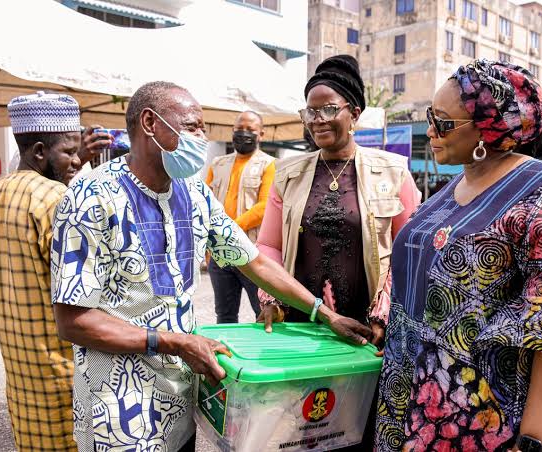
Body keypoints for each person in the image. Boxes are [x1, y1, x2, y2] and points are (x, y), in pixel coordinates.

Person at [50, 81, 371, 452]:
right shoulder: (90, 197)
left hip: (179, 404)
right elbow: (72, 319)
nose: (201, 137)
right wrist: (174, 342)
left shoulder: (194, 192)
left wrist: (322, 313)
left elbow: (254, 262)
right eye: (192, 126)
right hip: (118, 415)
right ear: (151, 123)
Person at [376, 60, 542, 451]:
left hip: (487, 423)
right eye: (429, 118)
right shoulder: (451, 188)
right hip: (411, 402)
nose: (431, 132)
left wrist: (533, 441)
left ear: (492, 127)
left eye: (445, 123)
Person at [256, 54, 420, 343]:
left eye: (329, 110)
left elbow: (408, 251)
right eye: (310, 112)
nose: (317, 120)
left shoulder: (393, 173)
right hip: (300, 324)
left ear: (354, 114)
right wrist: (272, 298)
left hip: (368, 329)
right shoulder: (287, 174)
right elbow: (269, 245)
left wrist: (384, 313)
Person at [0, 91, 85, 451]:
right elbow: (82, 296)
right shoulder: (57, 200)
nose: (78, 160)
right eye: (69, 152)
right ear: (40, 151)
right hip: (64, 378)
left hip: (20, 373)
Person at [205, 111, 275, 323]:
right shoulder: (218, 163)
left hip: (252, 250)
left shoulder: (269, 164)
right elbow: (204, 200)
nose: (243, 134)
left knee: (261, 312)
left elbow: (265, 207)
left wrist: (228, 229)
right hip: (220, 254)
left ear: (261, 134)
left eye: (250, 130)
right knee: (224, 315)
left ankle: (260, 355)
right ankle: (225, 354)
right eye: (239, 129)